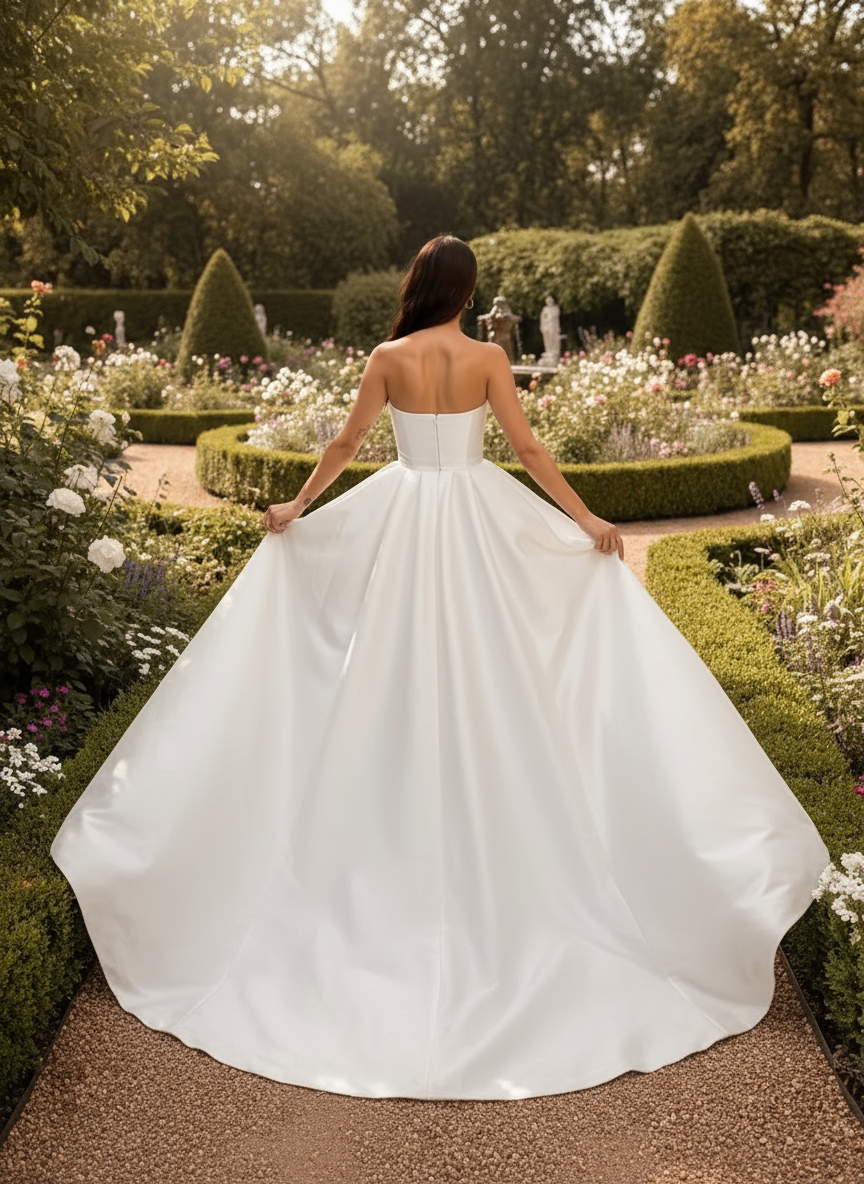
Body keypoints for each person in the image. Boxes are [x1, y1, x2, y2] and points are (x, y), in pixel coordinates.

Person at [52, 235, 829, 1102]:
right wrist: (589, 521)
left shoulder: (388, 355)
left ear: (419, 286)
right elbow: (530, 453)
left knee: (379, 668)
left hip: (404, 517)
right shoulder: (491, 354)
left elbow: (348, 443)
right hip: (474, 522)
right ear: (467, 294)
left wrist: (297, 505)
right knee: (499, 667)